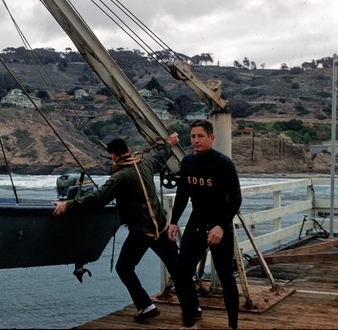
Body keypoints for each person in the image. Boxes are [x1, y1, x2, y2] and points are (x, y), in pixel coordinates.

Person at [53, 133, 196, 324]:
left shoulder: (119, 177)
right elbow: (162, 155)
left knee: (124, 268)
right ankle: (194, 307)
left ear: (113, 156)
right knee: (178, 270)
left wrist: (68, 205)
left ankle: (146, 305)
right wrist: (169, 143)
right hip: (161, 229)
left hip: (141, 233)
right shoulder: (146, 164)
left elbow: (98, 198)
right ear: (128, 150)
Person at [167, 119, 242, 329]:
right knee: (182, 273)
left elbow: (236, 199)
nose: (196, 140)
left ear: (211, 137)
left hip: (219, 226)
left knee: (226, 276)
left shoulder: (223, 163)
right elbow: (182, 195)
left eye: (200, 136)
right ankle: (189, 322)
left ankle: (232, 326)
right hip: (196, 223)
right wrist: (173, 222)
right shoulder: (188, 162)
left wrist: (220, 225)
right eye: (193, 136)